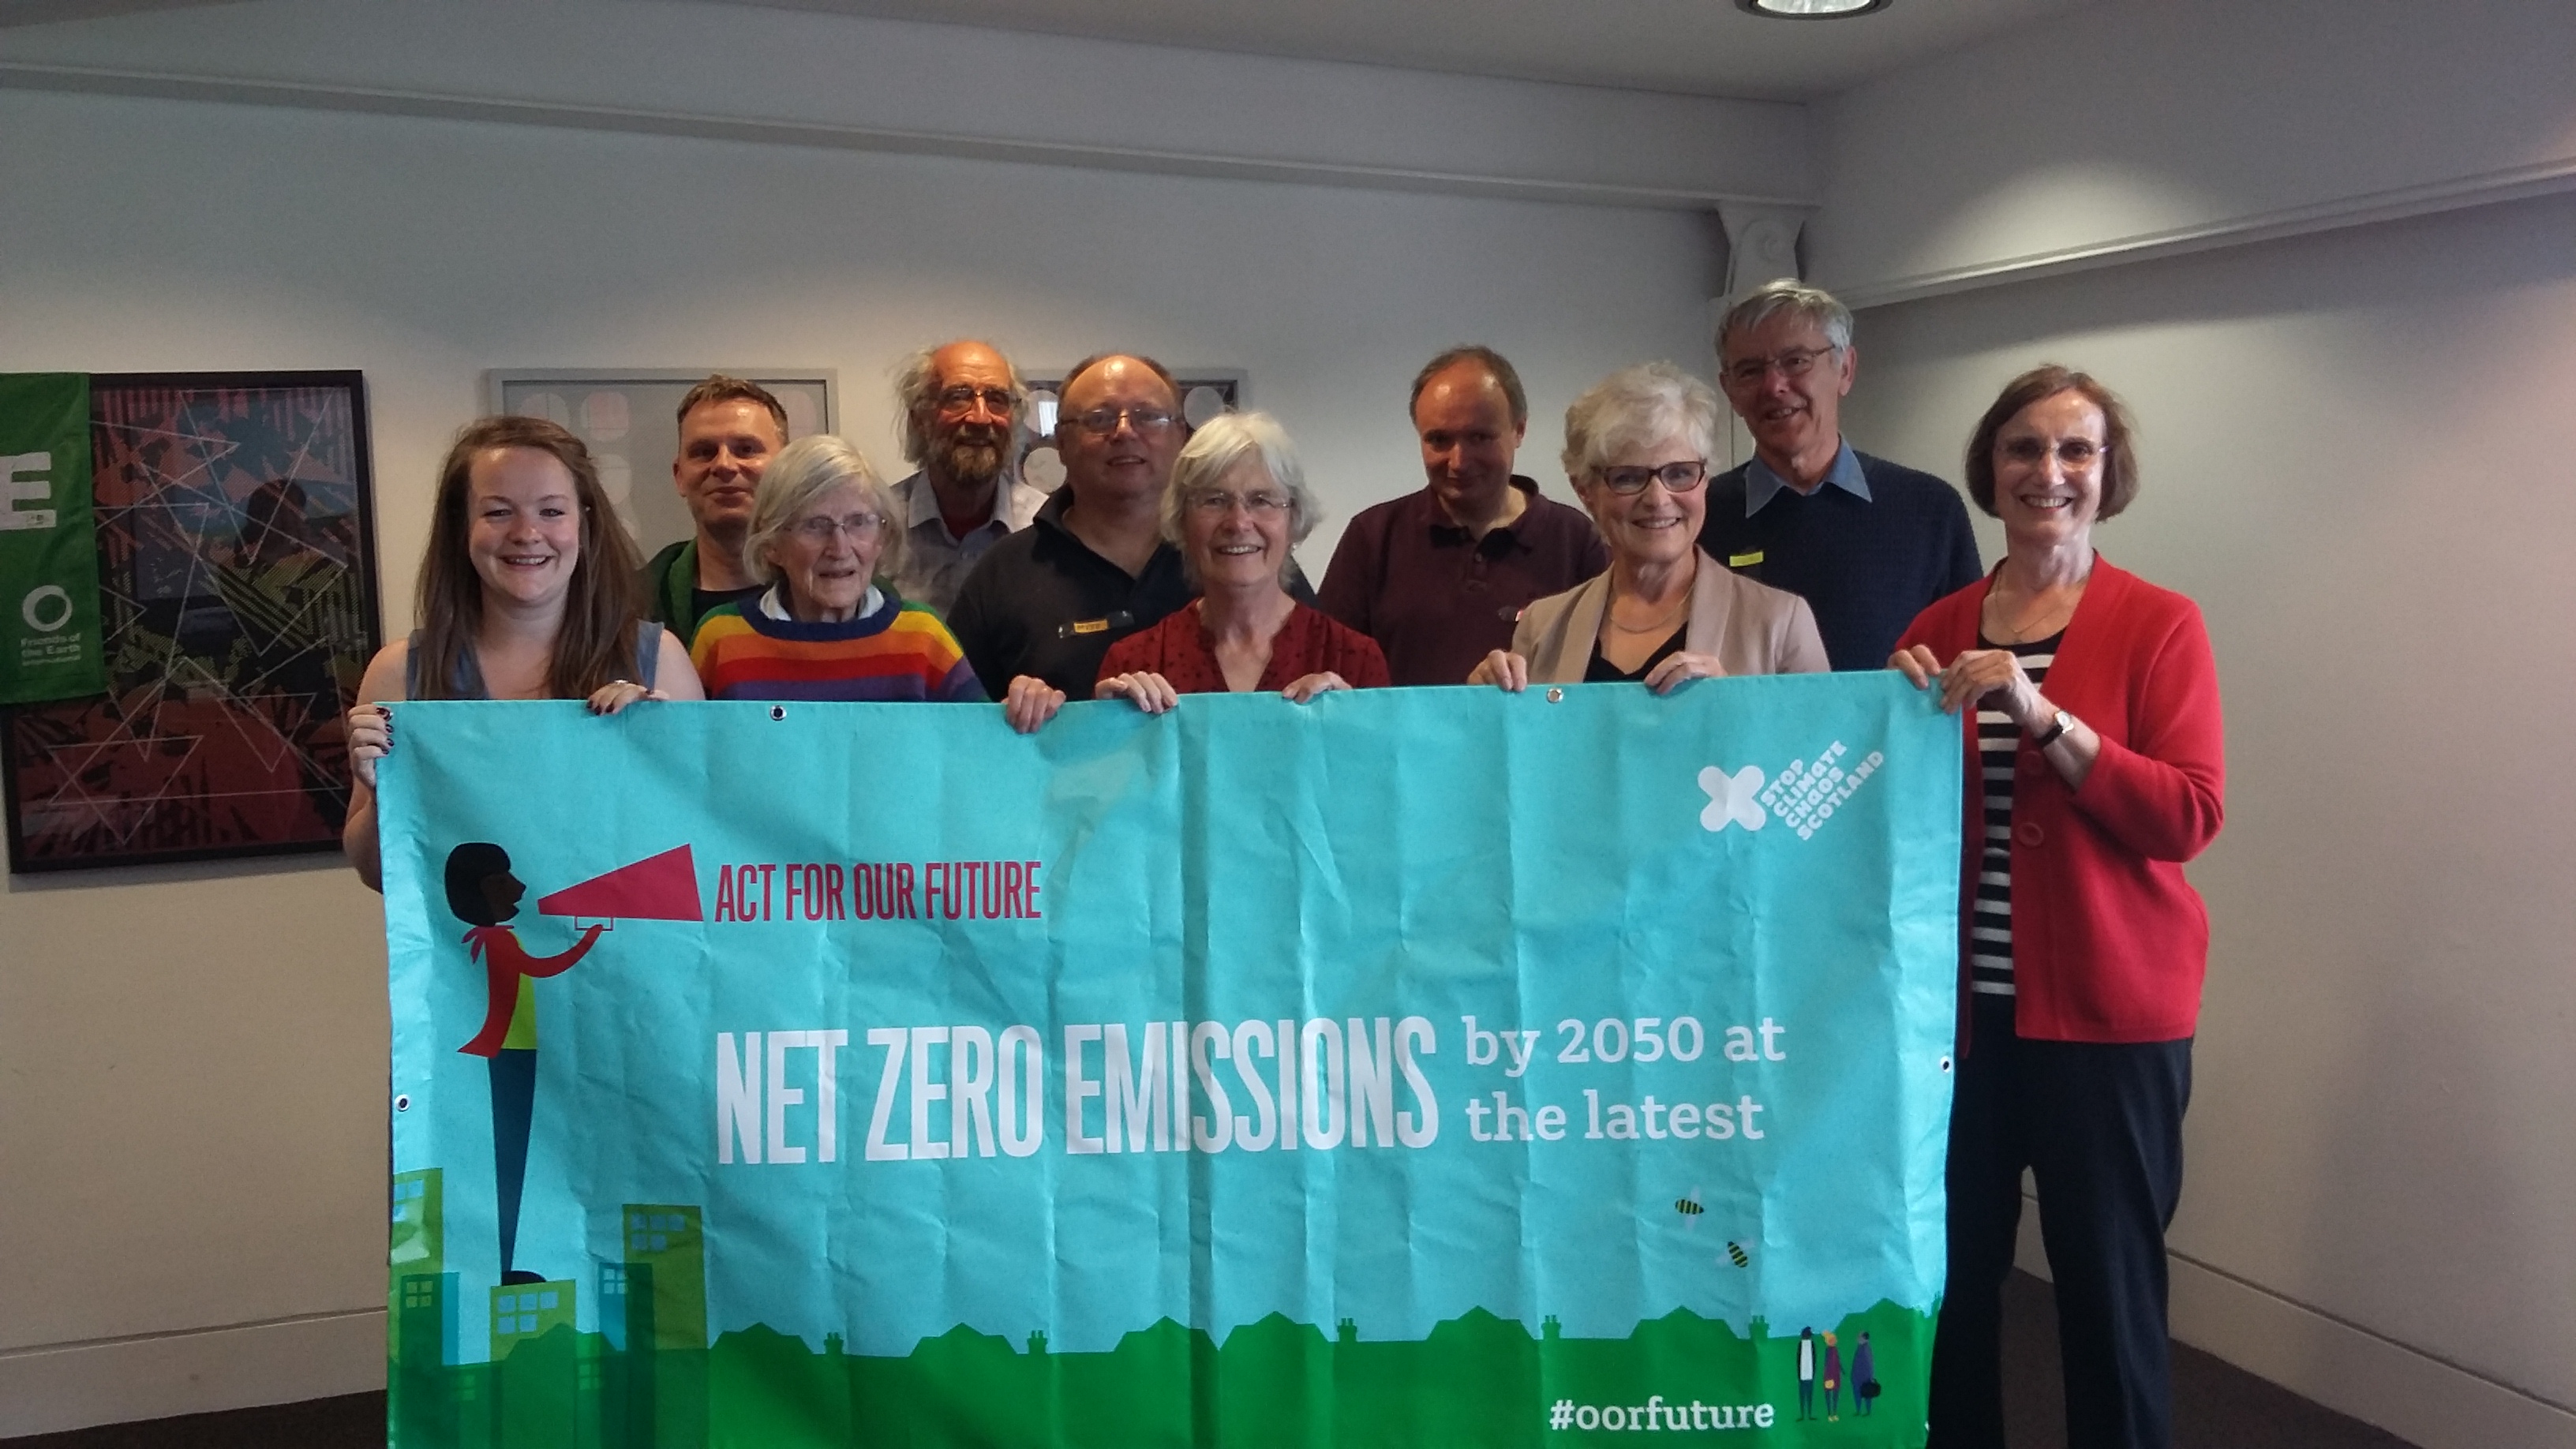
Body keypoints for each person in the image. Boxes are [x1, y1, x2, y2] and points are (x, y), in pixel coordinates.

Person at [1893, 365, 2223, 1449]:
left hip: (2109, 1025)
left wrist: (2043, 714)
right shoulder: (1937, 624)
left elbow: (2187, 814)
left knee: (2107, 1293)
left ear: (2107, 473)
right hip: (1962, 1027)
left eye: (2076, 449)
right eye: (2024, 447)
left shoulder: (2161, 623)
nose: (2050, 471)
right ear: (1990, 468)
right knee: (1952, 1285)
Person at [343, 417, 702, 891]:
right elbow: (378, 875)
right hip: (479, 940)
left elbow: (699, 851)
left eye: (551, 511)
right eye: (498, 512)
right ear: (461, 527)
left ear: (584, 523)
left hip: (614, 939)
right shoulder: (399, 673)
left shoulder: (659, 661)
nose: (527, 532)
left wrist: (655, 749)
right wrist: (382, 794)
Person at [948, 352, 1312, 707]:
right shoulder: (1002, 574)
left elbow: (1314, 669)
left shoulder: (1240, 556)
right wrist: (1011, 716)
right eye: (1099, 418)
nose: (1124, 432)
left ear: (1180, 436)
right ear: (1061, 443)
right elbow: (954, 725)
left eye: (1148, 417)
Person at [1471, 362, 1825, 692]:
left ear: (1705, 480)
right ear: (1585, 490)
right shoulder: (1541, 627)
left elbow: (1824, 740)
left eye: (1680, 473)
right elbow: (1521, 741)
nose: (1658, 498)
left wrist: (1732, 709)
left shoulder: (1781, 622)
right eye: (1628, 477)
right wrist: (1482, 708)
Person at [1017, 412, 1385, 728]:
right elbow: (1111, 786)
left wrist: (1352, 730)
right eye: (1214, 500)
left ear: (1294, 519)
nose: (1238, 522)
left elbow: (1381, 781)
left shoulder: (1353, 659)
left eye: (1261, 500)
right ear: (1181, 520)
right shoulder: (1133, 662)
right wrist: (1112, 730)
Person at [1699, 279, 1981, 671]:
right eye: (1750, 371)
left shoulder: (1929, 510)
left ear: (1845, 369)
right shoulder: (1702, 516)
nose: (1774, 386)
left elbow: (1968, 662)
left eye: (1796, 361)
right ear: (1729, 389)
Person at [1317, 346, 1604, 685]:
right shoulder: (1372, 537)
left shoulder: (1576, 541)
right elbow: (1327, 667)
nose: (1459, 461)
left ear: (1519, 430)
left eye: (1479, 437)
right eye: (1439, 440)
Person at [689, 436, 982, 702]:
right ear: (772, 544)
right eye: (815, 525)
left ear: (882, 537)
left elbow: (981, 737)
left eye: (859, 522)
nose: (840, 549)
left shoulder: (923, 638)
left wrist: (1010, 711)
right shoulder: (721, 640)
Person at [886, 340, 1047, 614]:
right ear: (919, 419)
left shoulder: (1046, 529)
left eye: (997, 400)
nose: (981, 418)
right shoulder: (877, 527)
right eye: (958, 397)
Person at [639, 375, 789, 645]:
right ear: (679, 476)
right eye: (704, 451)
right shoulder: (629, 606)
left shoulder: (847, 593)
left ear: (787, 469)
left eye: (746, 449)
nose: (724, 465)